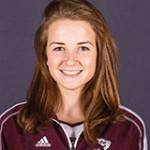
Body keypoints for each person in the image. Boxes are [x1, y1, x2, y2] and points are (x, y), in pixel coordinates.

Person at [0, 0, 148, 149]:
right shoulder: (11, 127)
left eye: (83, 48)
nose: (70, 60)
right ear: (45, 56)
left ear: (99, 55)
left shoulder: (129, 129)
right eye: (59, 48)